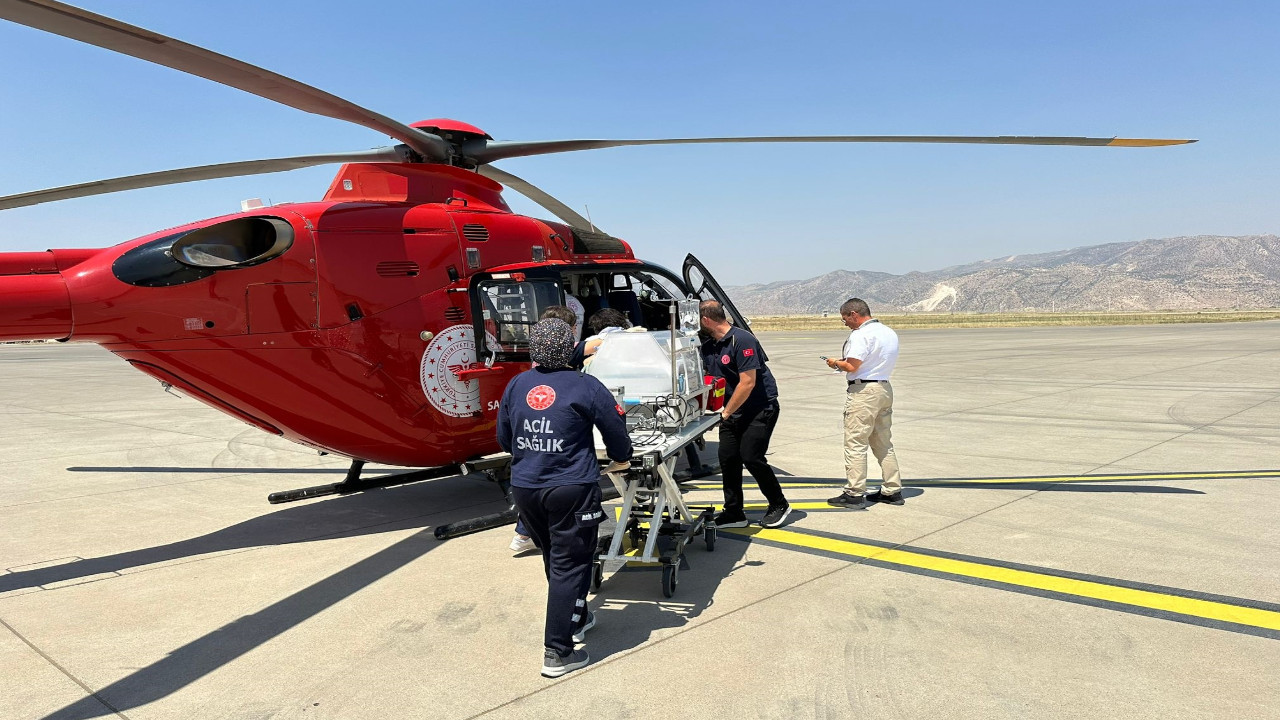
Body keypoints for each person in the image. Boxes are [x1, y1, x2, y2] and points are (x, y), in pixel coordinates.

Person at [496, 318, 632, 678]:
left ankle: (577, 615)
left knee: (556, 558)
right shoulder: (585, 385)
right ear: (569, 346)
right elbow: (616, 431)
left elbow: (504, 438)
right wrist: (621, 459)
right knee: (571, 564)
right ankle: (558, 651)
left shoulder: (517, 384)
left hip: (526, 486)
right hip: (570, 487)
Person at [699, 300, 791, 528]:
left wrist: (726, 413)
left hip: (759, 408)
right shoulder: (709, 345)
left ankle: (779, 504)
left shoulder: (742, 340)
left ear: (706, 320)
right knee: (728, 459)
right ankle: (733, 512)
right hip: (733, 411)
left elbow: (748, 383)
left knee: (751, 457)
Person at [510, 305, 589, 555]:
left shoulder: (528, 373)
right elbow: (594, 345)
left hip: (533, 443)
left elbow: (505, 434)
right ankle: (524, 532)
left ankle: (525, 532)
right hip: (558, 429)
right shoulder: (565, 356)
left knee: (539, 475)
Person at [825, 298, 904, 509]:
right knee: (883, 442)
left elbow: (852, 365)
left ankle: (854, 493)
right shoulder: (888, 332)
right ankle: (892, 489)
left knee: (855, 442)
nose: (845, 324)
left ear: (854, 314)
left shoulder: (861, 335)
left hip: (864, 392)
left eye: (845, 319)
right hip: (884, 388)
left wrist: (835, 363)